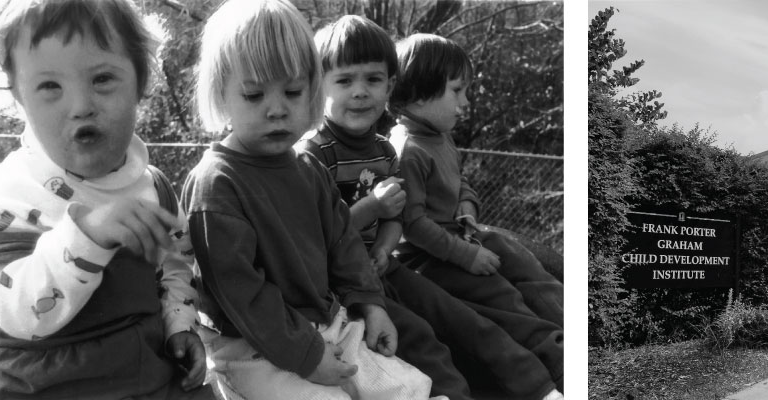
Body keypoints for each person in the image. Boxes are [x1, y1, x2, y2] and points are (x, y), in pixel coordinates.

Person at [298, 15, 561, 400]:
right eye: (344, 81)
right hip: (345, 275)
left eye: (372, 80)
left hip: (384, 263)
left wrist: (385, 248)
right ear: (320, 86)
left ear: (390, 86)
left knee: (465, 321)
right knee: (422, 337)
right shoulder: (313, 154)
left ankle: (541, 387)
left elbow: (396, 216)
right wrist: (373, 206)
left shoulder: (384, 150)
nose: (360, 92)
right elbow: (320, 235)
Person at [179, 1, 432, 398]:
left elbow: (343, 243)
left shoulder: (308, 167)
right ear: (221, 95)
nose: (277, 109)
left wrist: (370, 304)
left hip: (327, 324)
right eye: (253, 94)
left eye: (293, 91)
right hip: (251, 346)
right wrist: (309, 356)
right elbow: (242, 293)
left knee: (410, 388)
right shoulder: (216, 184)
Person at [0, 0, 210, 397]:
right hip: (45, 385)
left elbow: (175, 266)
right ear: (20, 97)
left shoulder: (154, 188)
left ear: (141, 82)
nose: (81, 107)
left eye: (102, 79)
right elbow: (15, 312)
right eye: (50, 87)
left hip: (149, 377)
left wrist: (179, 323)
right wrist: (87, 236)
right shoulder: (10, 195)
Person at [389, 33, 563, 326]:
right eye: (457, 91)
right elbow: (414, 226)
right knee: (501, 296)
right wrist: (466, 255)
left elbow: (460, 178)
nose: (466, 102)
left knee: (523, 260)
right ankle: (552, 348)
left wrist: (467, 204)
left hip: (461, 236)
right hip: (427, 257)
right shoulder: (407, 152)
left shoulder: (441, 137)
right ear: (419, 93)